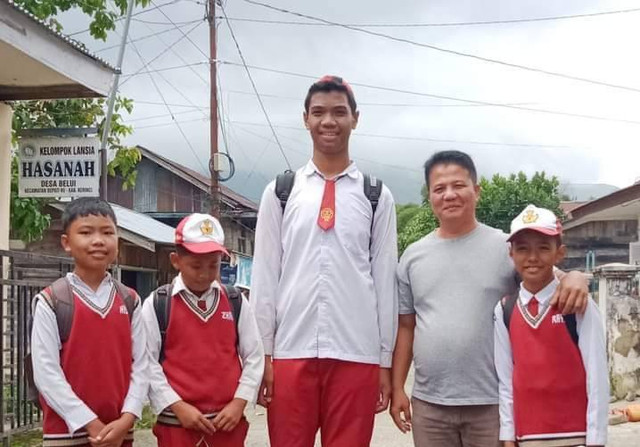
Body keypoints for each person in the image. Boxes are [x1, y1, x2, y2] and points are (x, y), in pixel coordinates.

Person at [391, 150, 589, 447]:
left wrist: (575, 277)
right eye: (439, 188)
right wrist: (397, 388)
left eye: (458, 185)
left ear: (476, 191)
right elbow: (406, 327)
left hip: (492, 402)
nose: (449, 195)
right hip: (430, 405)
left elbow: (549, 277)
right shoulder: (412, 256)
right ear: (429, 195)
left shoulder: (505, 248)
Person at [251, 75, 398, 447]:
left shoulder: (376, 195)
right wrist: (262, 355)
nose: (328, 121)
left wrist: (384, 361)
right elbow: (266, 276)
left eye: (339, 112)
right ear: (305, 119)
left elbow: (384, 280)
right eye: (318, 112)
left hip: (356, 353)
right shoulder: (281, 192)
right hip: (290, 353)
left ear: (355, 118)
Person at [30, 197, 147, 447]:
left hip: (119, 432)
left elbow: (142, 365)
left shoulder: (130, 300)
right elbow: (46, 373)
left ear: (118, 240)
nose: (98, 240)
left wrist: (128, 418)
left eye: (107, 232)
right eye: (85, 232)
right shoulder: (52, 300)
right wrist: (90, 422)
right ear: (66, 243)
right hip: (65, 434)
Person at [143, 213, 264, 447]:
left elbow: (254, 356)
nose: (204, 274)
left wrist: (239, 402)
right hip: (177, 424)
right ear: (176, 260)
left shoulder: (235, 301)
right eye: (195, 265)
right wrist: (177, 406)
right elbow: (147, 362)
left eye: (213, 266)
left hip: (226, 423)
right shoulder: (159, 303)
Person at [494, 204, 608, 447]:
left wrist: (596, 440)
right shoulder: (505, 309)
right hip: (526, 437)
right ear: (511, 254)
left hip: (575, 436)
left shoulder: (578, 303)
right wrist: (507, 435)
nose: (533, 257)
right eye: (522, 249)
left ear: (560, 253)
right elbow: (506, 380)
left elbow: (597, 377)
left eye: (543, 248)